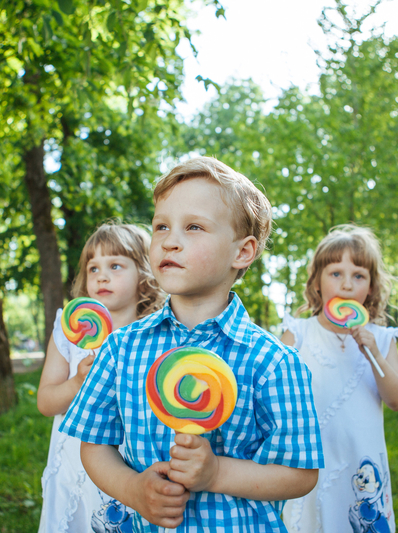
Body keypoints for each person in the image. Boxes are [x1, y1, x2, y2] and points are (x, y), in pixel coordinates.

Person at [59, 156, 324, 532]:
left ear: (242, 252)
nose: (169, 241)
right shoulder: (121, 349)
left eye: (194, 226)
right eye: (161, 226)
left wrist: (216, 473)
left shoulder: (274, 361)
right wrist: (133, 489)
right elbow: (94, 444)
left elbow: (300, 473)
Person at [280, 224, 398, 533]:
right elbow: (277, 396)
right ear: (317, 282)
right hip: (310, 462)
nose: (347, 284)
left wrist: (373, 354)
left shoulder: (382, 338)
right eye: (336, 273)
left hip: (360, 464)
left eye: (359, 276)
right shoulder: (298, 333)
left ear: (371, 287)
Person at [37, 222, 164, 533]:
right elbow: (45, 402)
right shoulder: (69, 334)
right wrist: (77, 382)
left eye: (115, 266)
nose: (101, 276)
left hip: (128, 464)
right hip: (72, 463)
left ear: (144, 275)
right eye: (93, 268)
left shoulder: (154, 337)